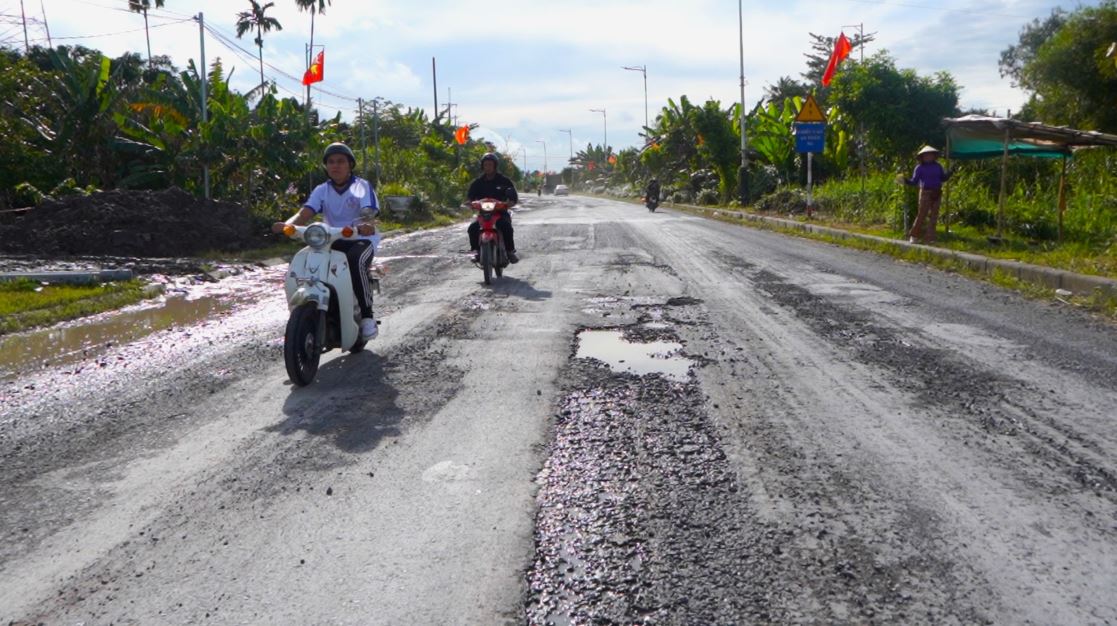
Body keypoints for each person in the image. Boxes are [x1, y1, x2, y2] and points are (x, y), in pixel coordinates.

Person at [272, 142, 380, 339]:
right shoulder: (322, 190)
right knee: (303, 260)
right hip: (330, 238)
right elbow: (305, 212)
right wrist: (288, 225)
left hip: (360, 238)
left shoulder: (361, 186)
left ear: (350, 165)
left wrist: (365, 224)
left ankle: (366, 317)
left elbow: (368, 211)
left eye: (340, 161)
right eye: (331, 162)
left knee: (356, 262)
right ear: (326, 166)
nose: (335, 166)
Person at [467, 152, 519, 263]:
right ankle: (475, 251)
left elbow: (512, 194)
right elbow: (470, 196)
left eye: (490, 164)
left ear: (495, 166)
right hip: (483, 213)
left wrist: (510, 202)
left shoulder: (504, 180)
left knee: (506, 227)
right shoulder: (477, 182)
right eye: (486, 165)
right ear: (482, 166)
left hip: (500, 212)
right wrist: (469, 203)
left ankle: (510, 251)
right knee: (472, 227)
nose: (488, 167)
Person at [899, 145, 952, 244]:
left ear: (934, 156)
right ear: (922, 157)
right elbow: (914, 182)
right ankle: (914, 236)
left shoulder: (938, 166)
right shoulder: (919, 168)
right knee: (922, 214)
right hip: (925, 193)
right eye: (926, 155)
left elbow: (943, 178)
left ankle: (930, 238)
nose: (928, 157)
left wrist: (949, 174)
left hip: (937, 192)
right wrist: (905, 180)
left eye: (930, 155)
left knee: (934, 215)